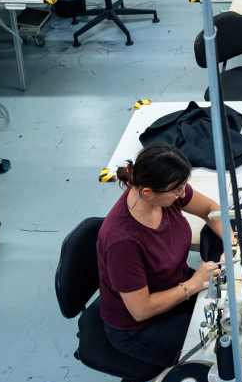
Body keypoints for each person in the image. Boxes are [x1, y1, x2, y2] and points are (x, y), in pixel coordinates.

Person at [96, 145, 225, 368]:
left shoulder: (166, 192)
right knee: (220, 350)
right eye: (177, 190)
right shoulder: (122, 241)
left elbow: (210, 210)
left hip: (176, 286)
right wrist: (193, 285)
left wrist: (233, 242)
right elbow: (141, 310)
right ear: (148, 193)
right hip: (140, 328)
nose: (183, 194)